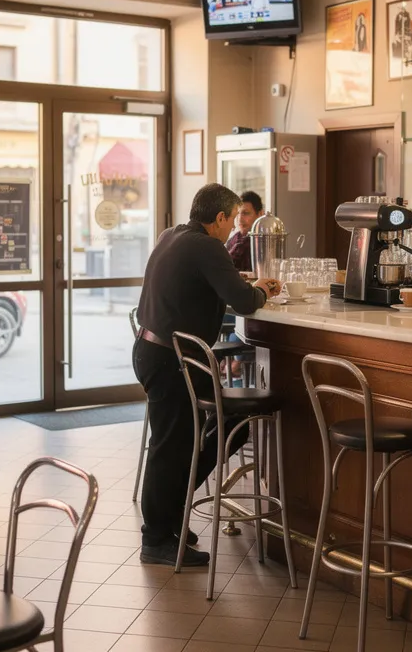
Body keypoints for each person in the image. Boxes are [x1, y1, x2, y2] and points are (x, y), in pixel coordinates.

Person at [133, 184, 281, 566]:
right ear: (218, 218)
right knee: (172, 446)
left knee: (190, 438)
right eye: (232, 220)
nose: (234, 228)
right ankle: (157, 539)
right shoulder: (207, 246)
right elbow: (245, 301)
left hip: (156, 351)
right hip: (172, 359)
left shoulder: (172, 236)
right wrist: (262, 288)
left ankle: (170, 519)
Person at [224, 190, 263, 273]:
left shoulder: (263, 242)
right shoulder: (232, 241)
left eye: (246, 213)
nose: (240, 219)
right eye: (238, 214)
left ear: (260, 214)